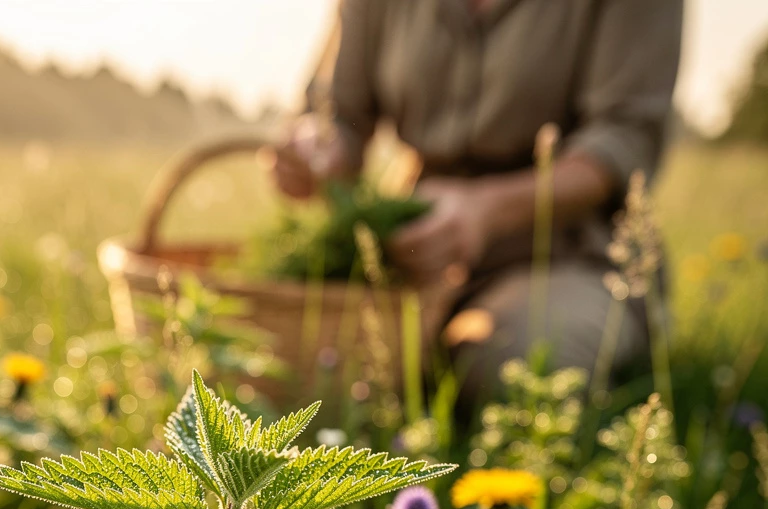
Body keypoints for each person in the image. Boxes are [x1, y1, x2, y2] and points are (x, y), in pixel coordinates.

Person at [272, 0, 684, 399]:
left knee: (515, 363)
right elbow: (340, 116)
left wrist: (485, 210)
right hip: (420, 249)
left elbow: (623, 141)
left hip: (572, 254)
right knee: (298, 346)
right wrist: (317, 150)